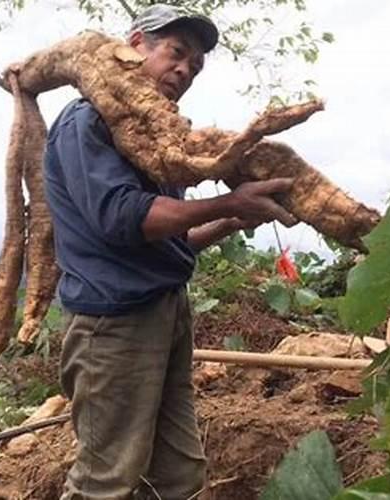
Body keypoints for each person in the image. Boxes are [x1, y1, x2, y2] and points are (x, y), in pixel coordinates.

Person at [43, 4, 298, 499]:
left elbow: (166, 240)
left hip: (164, 311)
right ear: (134, 45)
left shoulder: (152, 135)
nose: (183, 70)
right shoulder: (87, 121)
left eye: (195, 66)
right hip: (112, 325)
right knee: (105, 479)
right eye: (175, 53)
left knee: (179, 473)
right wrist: (227, 199)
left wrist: (232, 218)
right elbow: (125, 216)